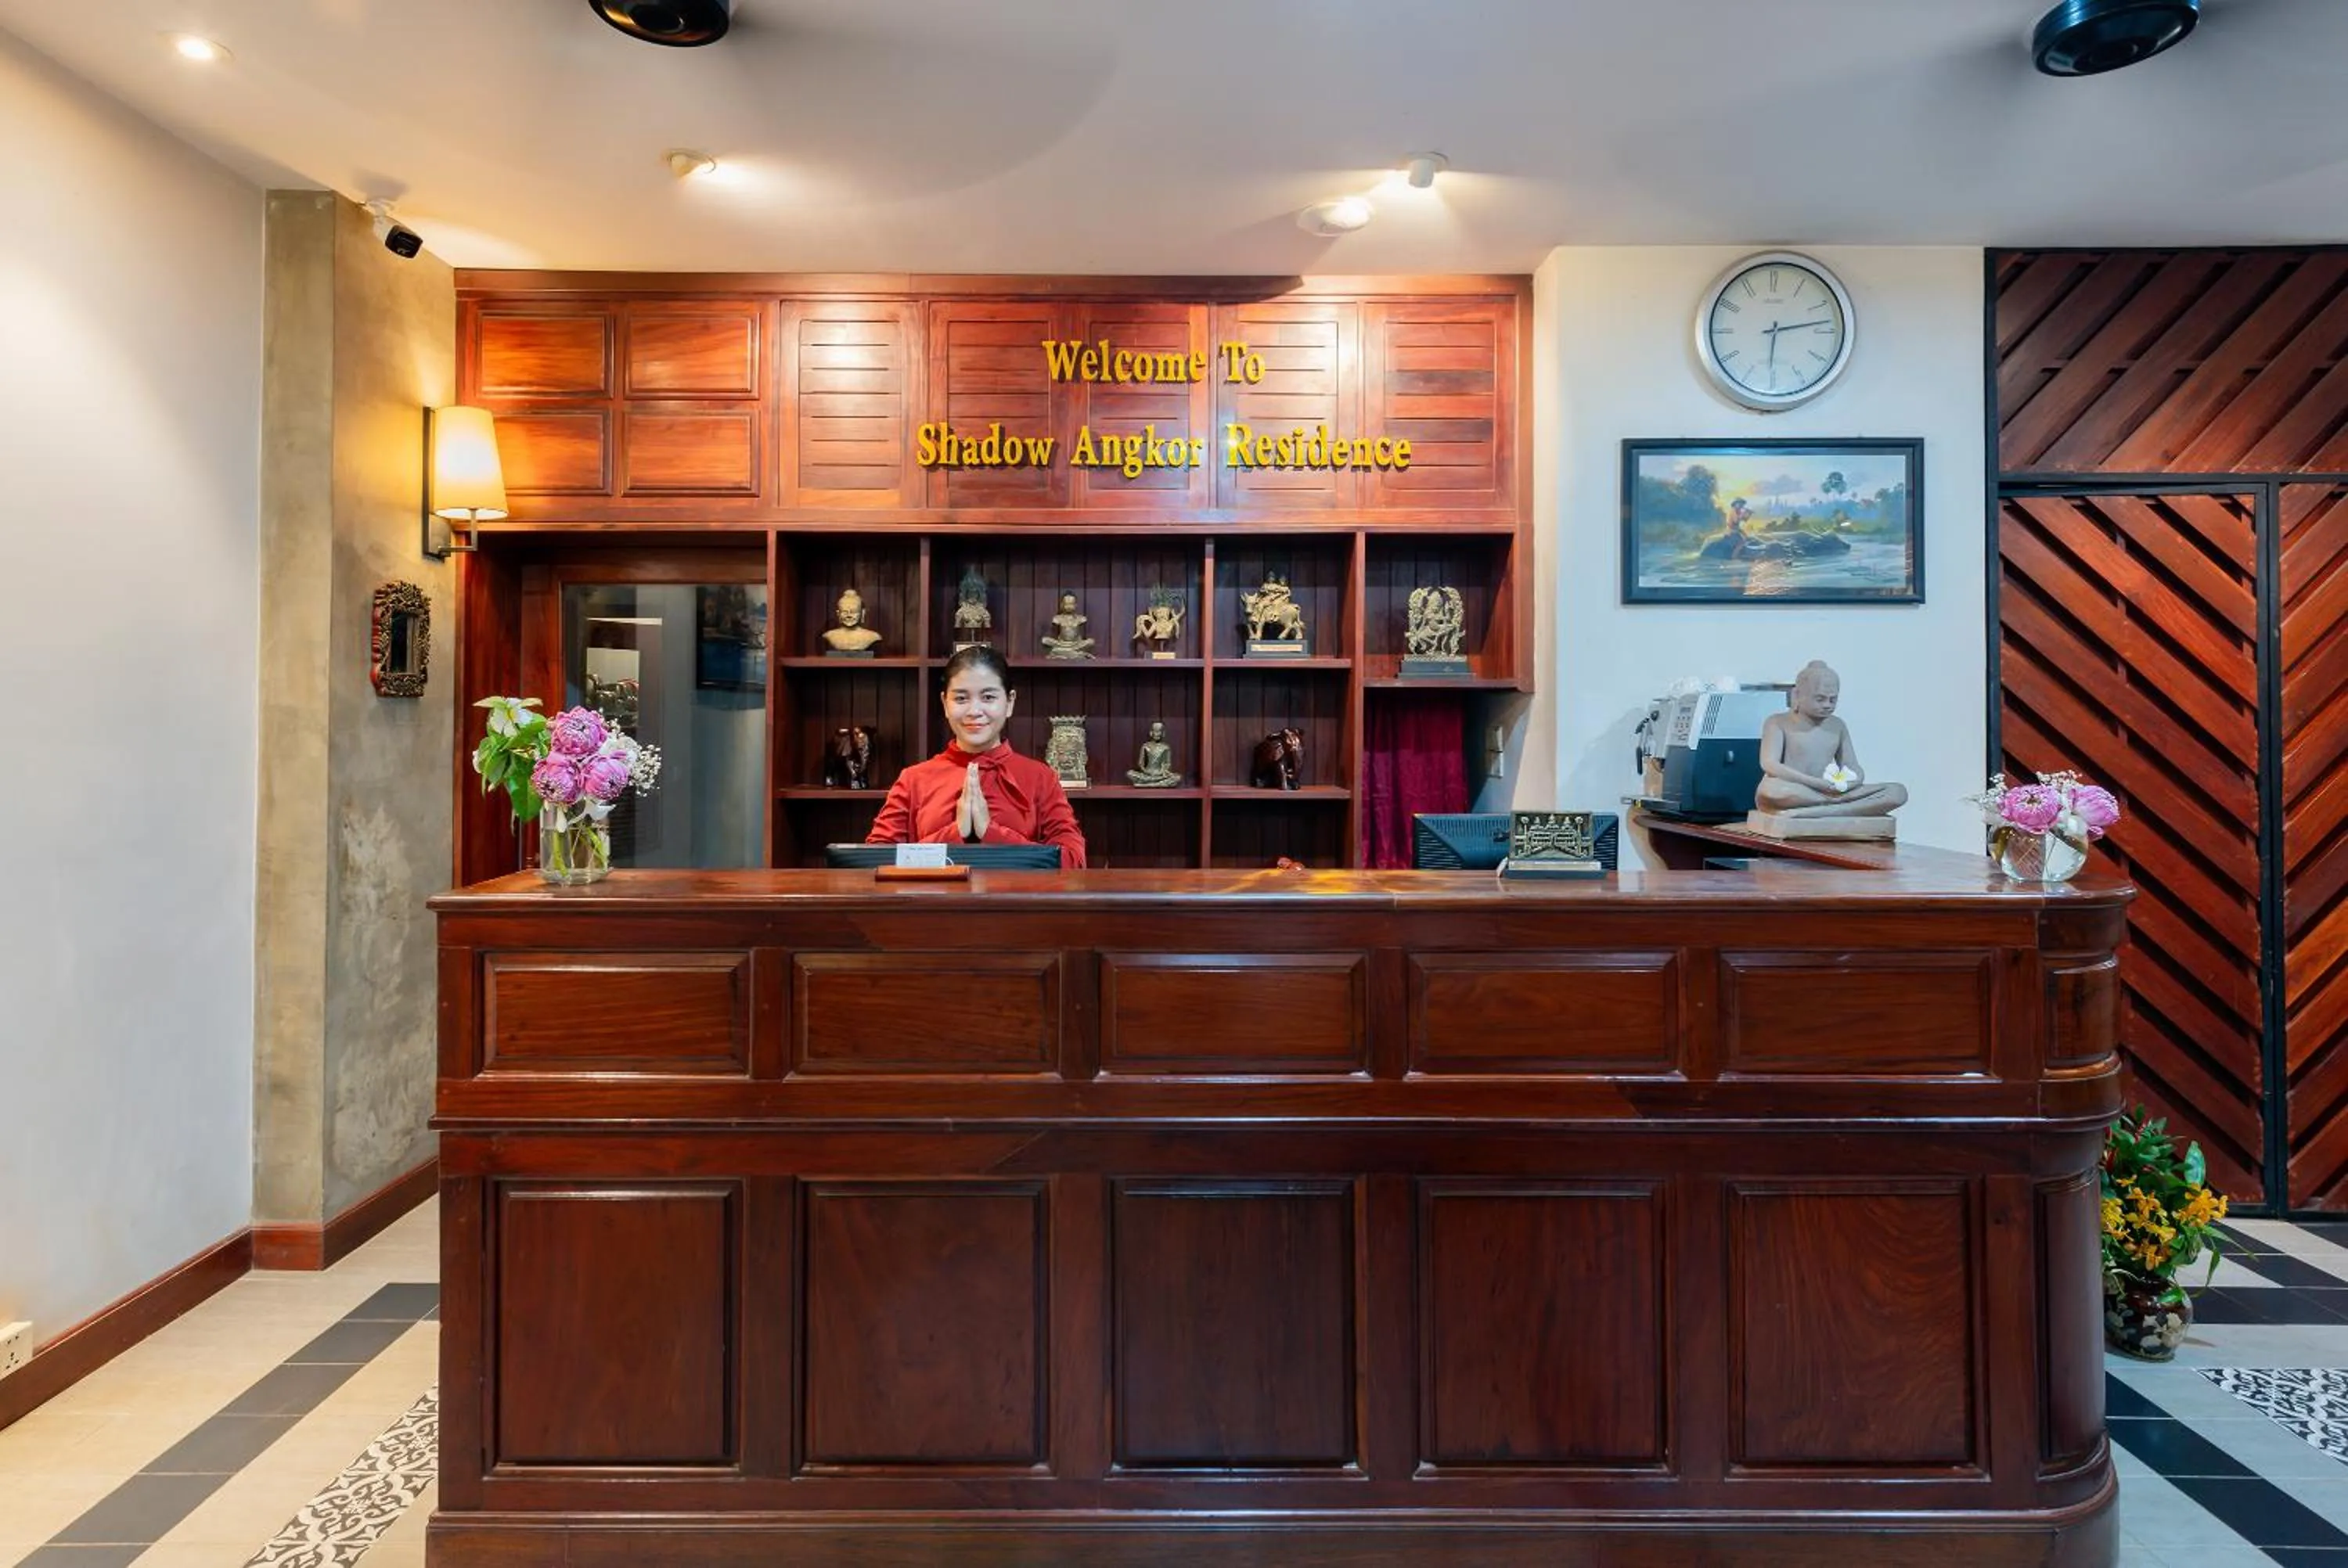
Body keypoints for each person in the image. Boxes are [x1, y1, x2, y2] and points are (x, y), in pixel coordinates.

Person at [864, 644, 1088, 865]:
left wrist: (991, 832)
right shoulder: (913, 779)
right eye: (961, 699)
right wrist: (955, 832)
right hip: (933, 902)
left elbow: (1073, 861)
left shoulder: (1041, 778)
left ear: (1009, 702)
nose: (974, 711)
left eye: (988, 697)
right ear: (945, 704)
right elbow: (874, 862)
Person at [1753, 660, 1907, 818]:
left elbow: (1852, 767)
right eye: (1820, 699)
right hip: (1796, 789)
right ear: (1797, 695)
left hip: (1831, 793)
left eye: (1833, 699)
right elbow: (1770, 765)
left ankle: (1820, 811)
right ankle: (1841, 809)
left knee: (1897, 792)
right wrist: (1816, 784)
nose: (1827, 705)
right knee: (1774, 790)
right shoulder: (1777, 722)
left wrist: (1850, 784)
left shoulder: (1838, 725)